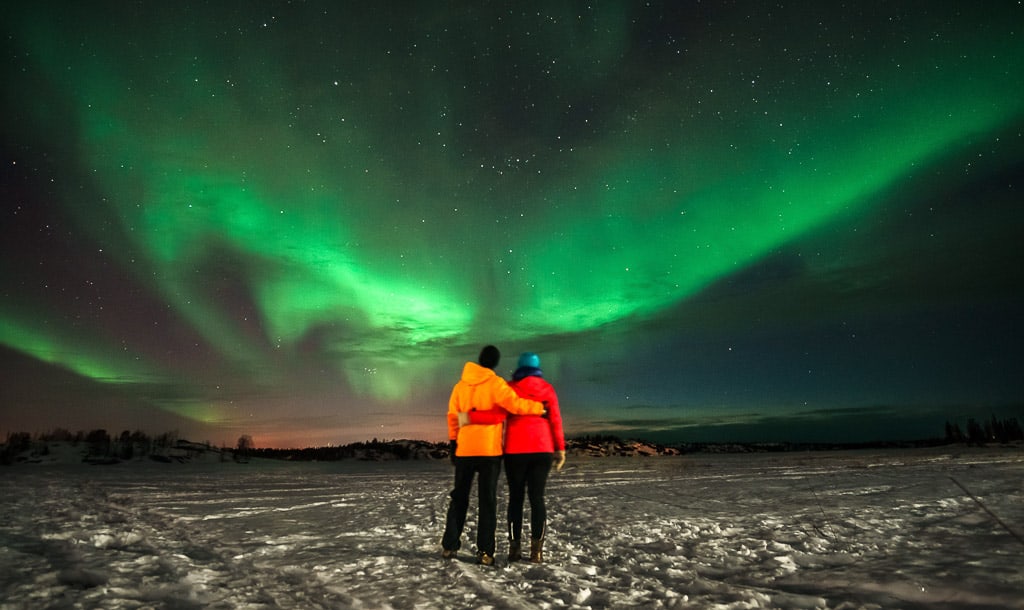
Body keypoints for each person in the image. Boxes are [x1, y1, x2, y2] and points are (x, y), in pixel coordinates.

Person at [441, 345, 546, 566]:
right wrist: (538, 408)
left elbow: (453, 417)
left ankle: (449, 546)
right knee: (487, 501)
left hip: (465, 450)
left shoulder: (460, 386)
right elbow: (516, 405)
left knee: (459, 498)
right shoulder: (496, 384)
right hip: (489, 451)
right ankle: (485, 552)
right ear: (495, 362)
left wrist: (454, 443)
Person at [459, 351, 565, 563]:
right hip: (542, 450)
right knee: (537, 499)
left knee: (516, 499)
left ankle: (514, 548)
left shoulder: (509, 387)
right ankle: (537, 551)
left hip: (515, 451)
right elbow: (555, 419)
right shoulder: (547, 389)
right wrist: (559, 448)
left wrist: (470, 416)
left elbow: (497, 415)